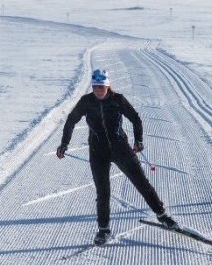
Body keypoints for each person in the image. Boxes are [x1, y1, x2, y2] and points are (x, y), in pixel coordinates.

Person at [56, 69, 178, 245]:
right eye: (96, 87)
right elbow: (71, 121)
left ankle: (162, 215)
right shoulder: (86, 101)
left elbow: (135, 118)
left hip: (121, 148)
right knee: (103, 192)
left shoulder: (117, 100)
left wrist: (138, 140)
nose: (98, 90)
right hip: (98, 152)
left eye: (102, 87)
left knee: (141, 183)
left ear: (107, 85)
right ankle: (103, 230)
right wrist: (64, 143)